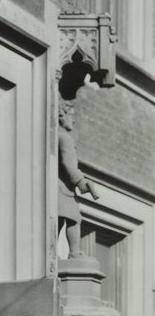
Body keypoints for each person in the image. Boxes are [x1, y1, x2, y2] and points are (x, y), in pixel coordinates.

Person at [57, 100, 98, 257]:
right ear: (62, 116)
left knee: (60, 219)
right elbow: (68, 164)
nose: (73, 120)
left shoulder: (56, 136)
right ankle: (74, 253)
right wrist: (81, 181)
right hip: (63, 187)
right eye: (71, 115)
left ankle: (51, 253)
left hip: (60, 186)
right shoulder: (65, 138)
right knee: (74, 218)